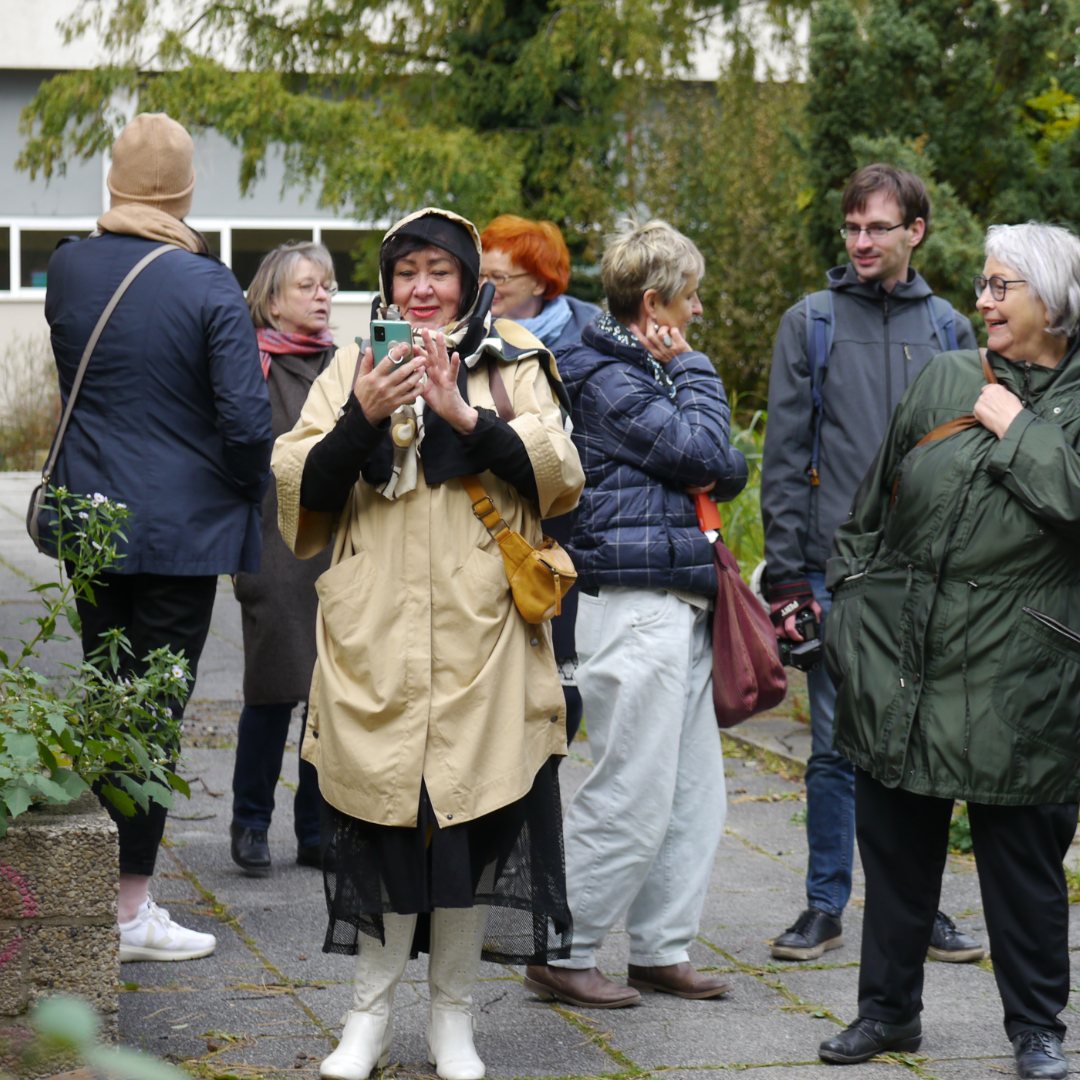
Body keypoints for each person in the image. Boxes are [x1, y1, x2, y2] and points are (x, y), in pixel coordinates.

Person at [271, 208, 584, 1080]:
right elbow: (300, 489)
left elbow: (562, 476)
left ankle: (453, 1020)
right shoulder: (350, 365)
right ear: (386, 284)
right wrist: (360, 420)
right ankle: (367, 1018)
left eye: (438, 272)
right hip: (375, 641)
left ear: (469, 280)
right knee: (380, 828)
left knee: (467, 831)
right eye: (405, 272)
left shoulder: (514, 360)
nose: (420, 289)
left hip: (484, 642)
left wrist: (467, 416)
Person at [815, 221, 1080, 1080]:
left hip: (1024, 668)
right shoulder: (944, 377)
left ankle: (1037, 1031)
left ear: (1058, 301)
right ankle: (887, 1014)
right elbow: (870, 511)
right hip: (909, 654)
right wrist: (853, 608)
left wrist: (1017, 428)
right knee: (895, 844)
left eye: (1005, 287)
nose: (984, 301)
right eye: (985, 285)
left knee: (1023, 860)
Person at [43, 113, 273, 961]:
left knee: (107, 696)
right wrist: (244, 488)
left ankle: (97, 886)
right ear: (183, 191)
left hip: (89, 521)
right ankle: (128, 909)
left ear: (113, 181)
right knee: (152, 711)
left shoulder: (67, 267)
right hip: (183, 530)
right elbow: (248, 421)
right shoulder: (207, 283)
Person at [760, 164, 984, 964]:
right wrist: (786, 579)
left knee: (924, 744)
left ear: (914, 232)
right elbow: (784, 459)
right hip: (833, 573)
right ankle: (824, 904)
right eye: (852, 227)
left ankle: (918, 912)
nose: (860, 242)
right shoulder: (810, 322)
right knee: (834, 746)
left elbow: (975, 459)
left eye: (877, 228)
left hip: (929, 575)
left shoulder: (953, 329)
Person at [523, 219, 748, 1008]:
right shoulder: (606, 375)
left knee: (692, 796)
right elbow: (703, 457)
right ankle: (564, 947)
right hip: (636, 606)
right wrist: (696, 368)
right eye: (690, 302)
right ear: (654, 302)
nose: (695, 317)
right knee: (632, 788)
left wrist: (685, 380)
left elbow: (732, 467)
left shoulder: (637, 369)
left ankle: (660, 948)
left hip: (675, 603)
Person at [229, 241, 337, 876]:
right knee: (270, 693)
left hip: (336, 551)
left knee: (329, 696)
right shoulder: (248, 365)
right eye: (307, 286)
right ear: (271, 301)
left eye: (326, 285)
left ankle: (316, 831)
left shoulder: (345, 365)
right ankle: (250, 824)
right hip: (272, 548)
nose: (322, 295)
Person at [479, 215, 601, 746]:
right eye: (482, 274)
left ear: (540, 280)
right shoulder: (476, 333)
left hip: (571, 522)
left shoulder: (589, 336)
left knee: (562, 659)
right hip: (500, 519)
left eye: (501, 278)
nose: (489, 287)